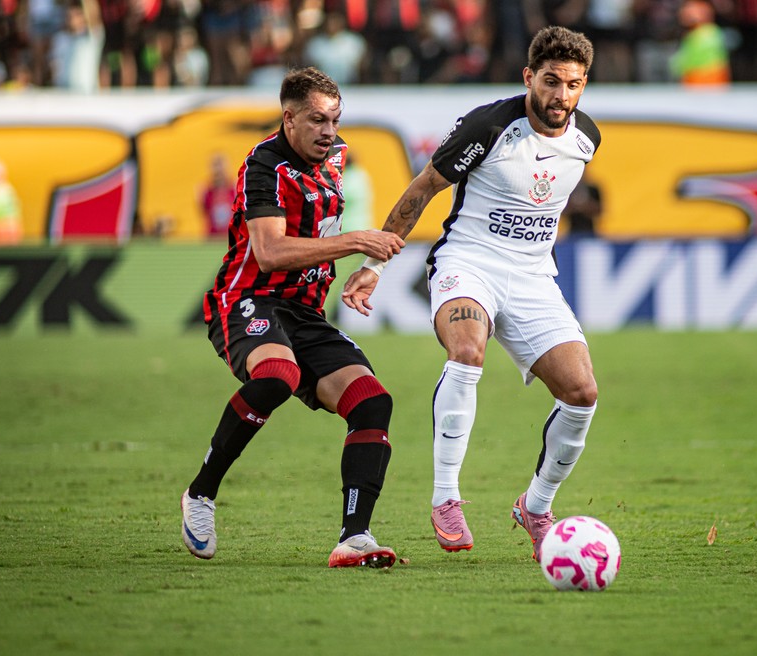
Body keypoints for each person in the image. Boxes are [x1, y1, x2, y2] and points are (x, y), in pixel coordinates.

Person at [342, 26, 601, 561]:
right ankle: (445, 497)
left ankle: (536, 506)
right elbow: (421, 191)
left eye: (573, 84)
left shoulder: (586, 139)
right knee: (467, 352)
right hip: (468, 264)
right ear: (529, 77)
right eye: (551, 82)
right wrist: (374, 266)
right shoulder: (488, 125)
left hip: (532, 277)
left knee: (582, 393)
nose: (561, 96)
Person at [180, 67, 406, 568]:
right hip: (247, 298)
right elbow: (269, 252)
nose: (329, 131)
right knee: (279, 374)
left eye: (335, 119)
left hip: (304, 310)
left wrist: (356, 270)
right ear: (289, 118)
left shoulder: (338, 156)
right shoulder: (263, 165)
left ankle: (355, 538)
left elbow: (318, 229)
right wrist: (354, 242)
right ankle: (201, 494)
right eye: (317, 120)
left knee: (372, 402)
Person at [668, 0, 730, 87]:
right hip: (693, 81)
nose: (684, 12)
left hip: (707, 82)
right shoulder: (692, 34)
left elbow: (700, 60)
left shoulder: (708, 33)